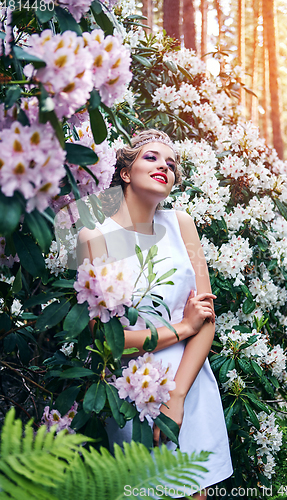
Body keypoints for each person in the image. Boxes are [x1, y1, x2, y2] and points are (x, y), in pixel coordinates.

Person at [77, 129, 233, 498]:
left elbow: (206, 318)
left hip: (189, 384)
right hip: (133, 392)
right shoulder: (95, 236)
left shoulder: (181, 224)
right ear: (125, 173)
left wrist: (177, 397)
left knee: (196, 493)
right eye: (151, 157)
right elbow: (105, 340)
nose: (164, 165)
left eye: (171, 163)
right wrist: (182, 327)